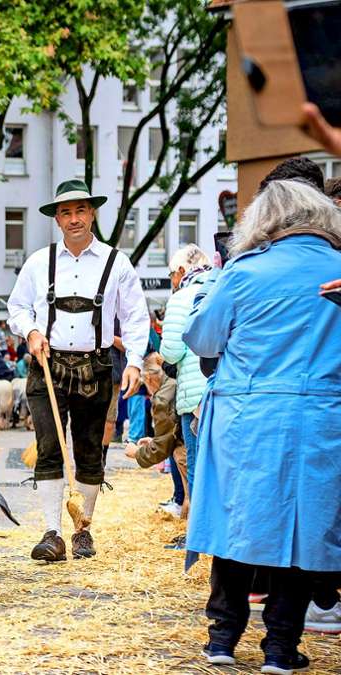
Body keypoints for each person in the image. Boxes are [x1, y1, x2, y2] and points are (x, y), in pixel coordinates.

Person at [180, 180, 341, 671]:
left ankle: (221, 640)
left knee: (235, 524)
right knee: (301, 534)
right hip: (319, 417)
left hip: (245, 417)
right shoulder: (338, 269)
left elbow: (202, 340)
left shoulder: (244, 270)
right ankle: (280, 648)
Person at [7, 179, 148, 562]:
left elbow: (136, 317)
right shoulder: (39, 262)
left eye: (80, 210)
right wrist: (31, 331)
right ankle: (52, 532)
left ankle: (82, 529)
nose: (74, 219)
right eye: (66, 212)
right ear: (57, 219)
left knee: (89, 453)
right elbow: (17, 307)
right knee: (49, 450)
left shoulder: (116, 263)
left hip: (95, 366)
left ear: (92, 214)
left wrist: (135, 361)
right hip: (47, 366)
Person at [158, 245, 211, 502]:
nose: (172, 281)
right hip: (224, 391)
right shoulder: (222, 286)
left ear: (181, 270)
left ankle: (198, 525)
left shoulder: (181, 297)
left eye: (171, 275)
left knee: (196, 464)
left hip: (194, 394)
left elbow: (171, 351)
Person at [123, 354, 186, 521]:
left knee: (177, 453)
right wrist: (153, 440)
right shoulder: (175, 383)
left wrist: (137, 452)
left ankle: (182, 504)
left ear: (149, 378)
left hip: (188, 452)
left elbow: (165, 445)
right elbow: (173, 433)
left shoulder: (161, 399)